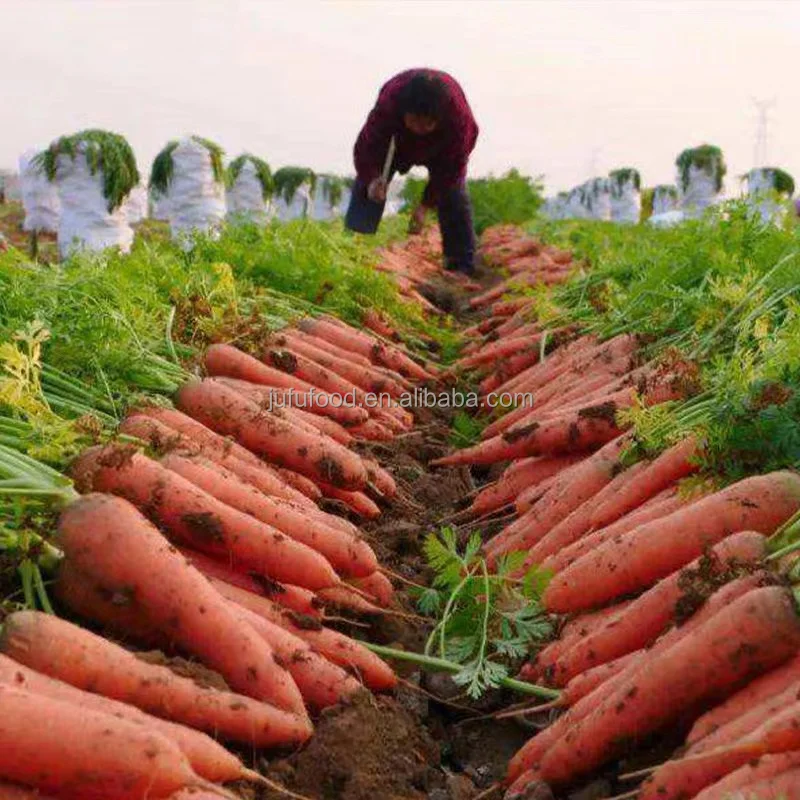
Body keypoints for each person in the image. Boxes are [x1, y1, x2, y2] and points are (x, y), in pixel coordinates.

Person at [345, 68, 479, 275]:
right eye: (415, 120)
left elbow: (453, 167)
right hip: (397, 143)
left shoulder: (458, 120)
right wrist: (372, 179)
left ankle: (460, 266)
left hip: (442, 149)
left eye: (427, 123)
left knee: (453, 195)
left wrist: (425, 204)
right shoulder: (389, 102)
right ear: (404, 111)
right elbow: (366, 148)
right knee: (368, 188)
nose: (420, 128)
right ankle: (354, 251)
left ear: (439, 118)